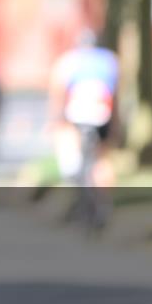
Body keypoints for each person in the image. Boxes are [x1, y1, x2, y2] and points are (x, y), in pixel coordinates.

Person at [47, 29, 120, 193]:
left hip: (77, 114)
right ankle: (104, 200)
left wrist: (56, 119)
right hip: (103, 114)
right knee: (102, 159)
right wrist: (116, 123)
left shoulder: (69, 60)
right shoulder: (109, 60)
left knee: (67, 137)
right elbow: (115, 96)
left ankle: (72, 172)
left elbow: (58, 91)